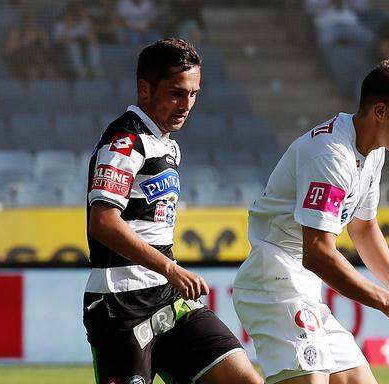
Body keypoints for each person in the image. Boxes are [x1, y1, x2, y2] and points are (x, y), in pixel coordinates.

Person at [232, 57, 389, 384]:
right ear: (381, 112)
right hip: (273, 280)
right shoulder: (331, 156)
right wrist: (384, 301)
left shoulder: (374, 149)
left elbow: (363, 226)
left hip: (303, 286)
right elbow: (317, 253)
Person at [83, 38, 262, 384]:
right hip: (120, 305)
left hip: (168, 298)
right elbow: (103, 222)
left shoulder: (166, 145)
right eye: (177, 93)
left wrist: (169, 274)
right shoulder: (125, 142)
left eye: (194, 93)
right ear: (144, 88)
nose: (187, 104)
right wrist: (171, 268)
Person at [53, 2, 103, 79]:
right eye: (68, 14)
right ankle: (79, 71)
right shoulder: (59, 25)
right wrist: (67, 28)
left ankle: (95, 70)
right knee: (73, 46)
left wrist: (88, 25)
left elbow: (94, 40)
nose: (71, 16)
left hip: (83, 47)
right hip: (66, 50)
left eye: (73, 14)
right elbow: (58, 42)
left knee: (92, 46)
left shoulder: (82, 24)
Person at [3, 9, 52, 80]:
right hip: (21, 62)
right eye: (28, 22)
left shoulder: (39, 33)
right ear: (23, 22)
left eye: (33, 21)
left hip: (37, 62)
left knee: (49, 71)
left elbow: (47, 50)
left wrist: (44, 40)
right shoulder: (16, 33)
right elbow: (7, 52)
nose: (31, 24)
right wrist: (23, 41)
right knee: (33, 72)